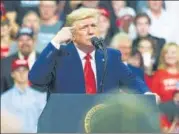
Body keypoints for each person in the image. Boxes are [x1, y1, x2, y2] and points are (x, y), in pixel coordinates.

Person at [29, 8, 152, 94]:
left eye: (93, 26)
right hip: (67, 123)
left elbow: (131, 80)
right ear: (72, 33)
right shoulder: (59, 55)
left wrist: (146, 93)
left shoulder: (110, 55)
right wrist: (55, 41)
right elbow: (36, 78)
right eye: (84, 27)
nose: (91, 31)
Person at [1, 59, 47, 133]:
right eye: (18, 71)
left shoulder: (40, 97)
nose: (21, 73)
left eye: (24, 71)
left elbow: (45, 123)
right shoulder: (4, 99)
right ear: (12, 74)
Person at [1, 27, 39, 93]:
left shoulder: (45, 61)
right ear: (16, 42)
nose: (25, 43)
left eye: (28, 39)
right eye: (21, 40)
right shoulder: (5, 63)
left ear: (34, 41)